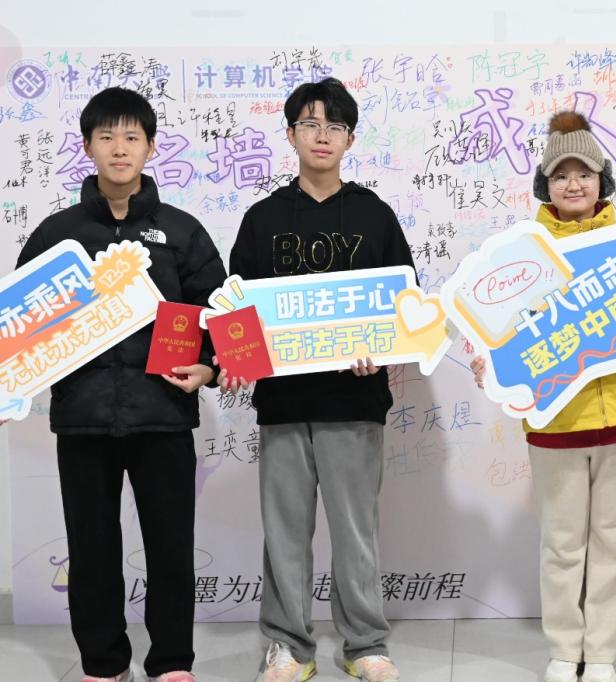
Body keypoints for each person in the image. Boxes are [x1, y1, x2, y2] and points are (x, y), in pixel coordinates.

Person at [15, 86, 226, 682]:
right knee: (92, 549)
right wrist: (11, 387)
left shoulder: (181, 231)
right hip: (83, 418)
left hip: (163, 413)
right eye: (106, 136)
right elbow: (21, 324)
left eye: (132, 136)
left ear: (151, 147)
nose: (119, 148)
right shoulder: (58, 235)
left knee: (170, 546)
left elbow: (219, 313)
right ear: (87, 146)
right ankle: (104, 663)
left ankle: (172, 662)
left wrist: (209, 366)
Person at [472, 111, 616, 682]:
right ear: (545, 184)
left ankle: (603, 652)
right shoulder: (525, 250)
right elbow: (501, 328)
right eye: (561, 174)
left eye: (585, 173)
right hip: (555, 420)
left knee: (615, 541)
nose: (574, 184)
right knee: (562, 544)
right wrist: (489, 359)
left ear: (601, 181)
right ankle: (565, 650)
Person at [222, 77, 413, 682]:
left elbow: (404, 303)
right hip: (282, 402)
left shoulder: (374, 215)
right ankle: (288, 646)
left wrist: (382, 348)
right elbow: (235, 306)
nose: (322, 135)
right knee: (284, 532)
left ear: (350, 138)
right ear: (291, 135)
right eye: (310, 124)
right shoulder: (262, 219)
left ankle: (365, 643)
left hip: (354, 400)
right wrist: (236, 358)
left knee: (356, 532)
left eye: (334, 125)